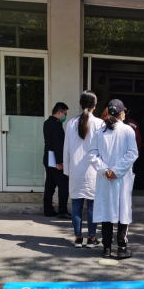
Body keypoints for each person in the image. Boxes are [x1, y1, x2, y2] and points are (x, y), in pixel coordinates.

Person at [89, 99, 139, 259]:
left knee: (107, 212)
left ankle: (107, 248)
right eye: (124, 111)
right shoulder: (128, 130)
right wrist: (116, 171)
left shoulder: (100, 131)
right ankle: (122, 247)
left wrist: (106, 170)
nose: (125, 113)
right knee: (123, 211)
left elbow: (92, 154)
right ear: (121, 113)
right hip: (121, 178)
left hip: (106, 178)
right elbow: (133, 153)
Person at [63, 91, 104, 248]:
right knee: (93, 207)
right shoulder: (100, 124)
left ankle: (78, 238)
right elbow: (103, 149)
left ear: (81, 105)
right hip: (94, 171)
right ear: (95, 105)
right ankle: (92, 238)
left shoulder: (71, 123)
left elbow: (66, 149)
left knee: (76, 206)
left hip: (75, 170)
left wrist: (67, 170)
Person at [43, 102, 70, 218]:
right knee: (63, 185)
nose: (65, 116)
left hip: (47, 157)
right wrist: (60, 162)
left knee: (50, 184)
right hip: (55, 159)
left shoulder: (47, 123)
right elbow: (58, 144)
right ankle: (62, 211)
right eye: (65, 114)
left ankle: (48, 210)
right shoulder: (57, 125)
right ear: (59, 112)